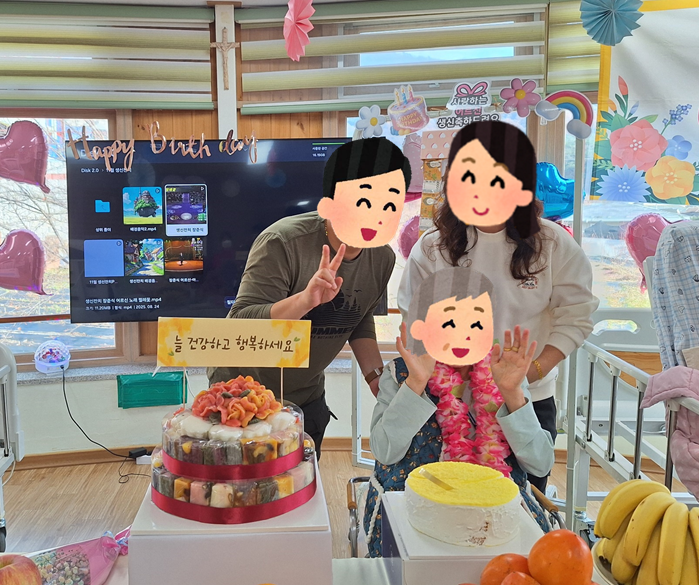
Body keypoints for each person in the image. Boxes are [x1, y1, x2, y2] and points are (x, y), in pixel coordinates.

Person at [397, 120, 597, 494]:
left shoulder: (553, 244)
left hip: (524, 400)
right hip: (449, 403)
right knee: (443, 503)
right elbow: (415, 320)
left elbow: (577, 316)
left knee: (522, 504)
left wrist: (531, 372)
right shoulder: (432, 248)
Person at [210, 137, 411, 459]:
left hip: (307, 397)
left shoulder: (382, 257)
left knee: (301, 483)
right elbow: (240, 323)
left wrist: (376, 378)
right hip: (242, 399)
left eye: (389, 204)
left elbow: (360, 319)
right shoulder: (283, 241)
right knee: (243, 485)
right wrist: (306, 299)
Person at [363, 267, 555, 556]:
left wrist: (513, 394)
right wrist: (415, 384)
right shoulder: (401, 373)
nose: (464, 335)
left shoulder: (505, 372)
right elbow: (384, 452)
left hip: (496, 519)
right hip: (416, 512)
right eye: (449, 322)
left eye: (476, 323)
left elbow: (541, 464)